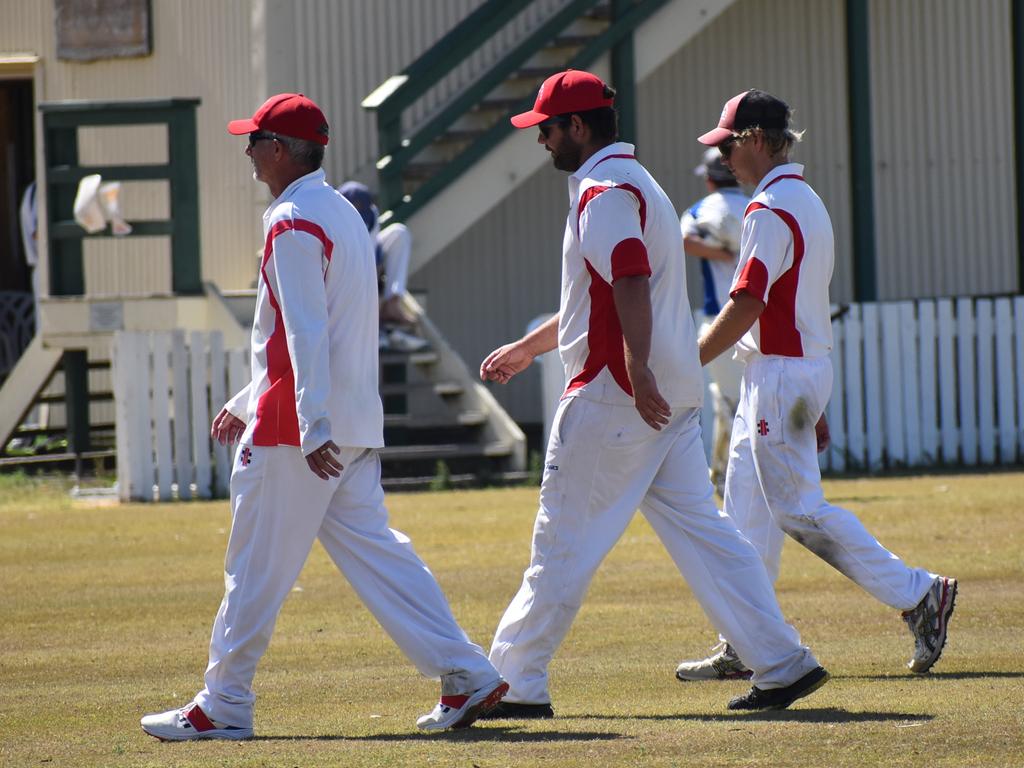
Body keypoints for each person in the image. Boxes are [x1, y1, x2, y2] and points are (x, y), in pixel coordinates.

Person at [140, 93, 506, 741]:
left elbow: (306, 329)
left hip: (301, 429)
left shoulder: (291, 219)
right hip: (348, 421)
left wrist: (307, 424)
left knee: (253, 567)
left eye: (254, 141)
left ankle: (223, 704)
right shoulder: (338, 212)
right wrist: (250, 398)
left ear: (280, 148)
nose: (248, 152)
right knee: (382, 558)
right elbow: (317, 329)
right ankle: (466, 672)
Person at [476, 69, 829, 719]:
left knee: (560, 543)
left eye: (547, 129)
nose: (542, 141)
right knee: (708, 539)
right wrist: (531, 348)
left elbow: (629, 283)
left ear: (577, 126)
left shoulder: (603, 189)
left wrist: (634, 371)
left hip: (617, 395)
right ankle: (782, 662)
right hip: (666, 394)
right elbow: (604, 288)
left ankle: (514, 682)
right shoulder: (635, 183)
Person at [675, 89, 956, 683]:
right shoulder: (801, 198)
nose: (722, 155)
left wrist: (689, 360)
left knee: (797, 511)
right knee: (746, 514)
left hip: (780, 371)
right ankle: (747, 641)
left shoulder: (768, 207)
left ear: (754, 139)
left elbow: (748, 300)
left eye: (728, 142)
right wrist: (808, 399)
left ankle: (919, 594)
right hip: (784, 372)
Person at [680, 148, 748, 497]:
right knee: (746, 400)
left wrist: (721, 253)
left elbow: (684, 240)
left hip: (719, 317)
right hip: (758, 316)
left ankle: (728, 474)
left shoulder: (701, 210)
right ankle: (725, 472)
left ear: (709, 179)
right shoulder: (755, 205)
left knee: (729, 401)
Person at [337, 181, 427, 352]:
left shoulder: (371, 215)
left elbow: (371, 252)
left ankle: (393, 302)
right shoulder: (334, 217)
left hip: (371, 266)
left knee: (399, 233)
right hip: (346, 284)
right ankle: (377, 328)